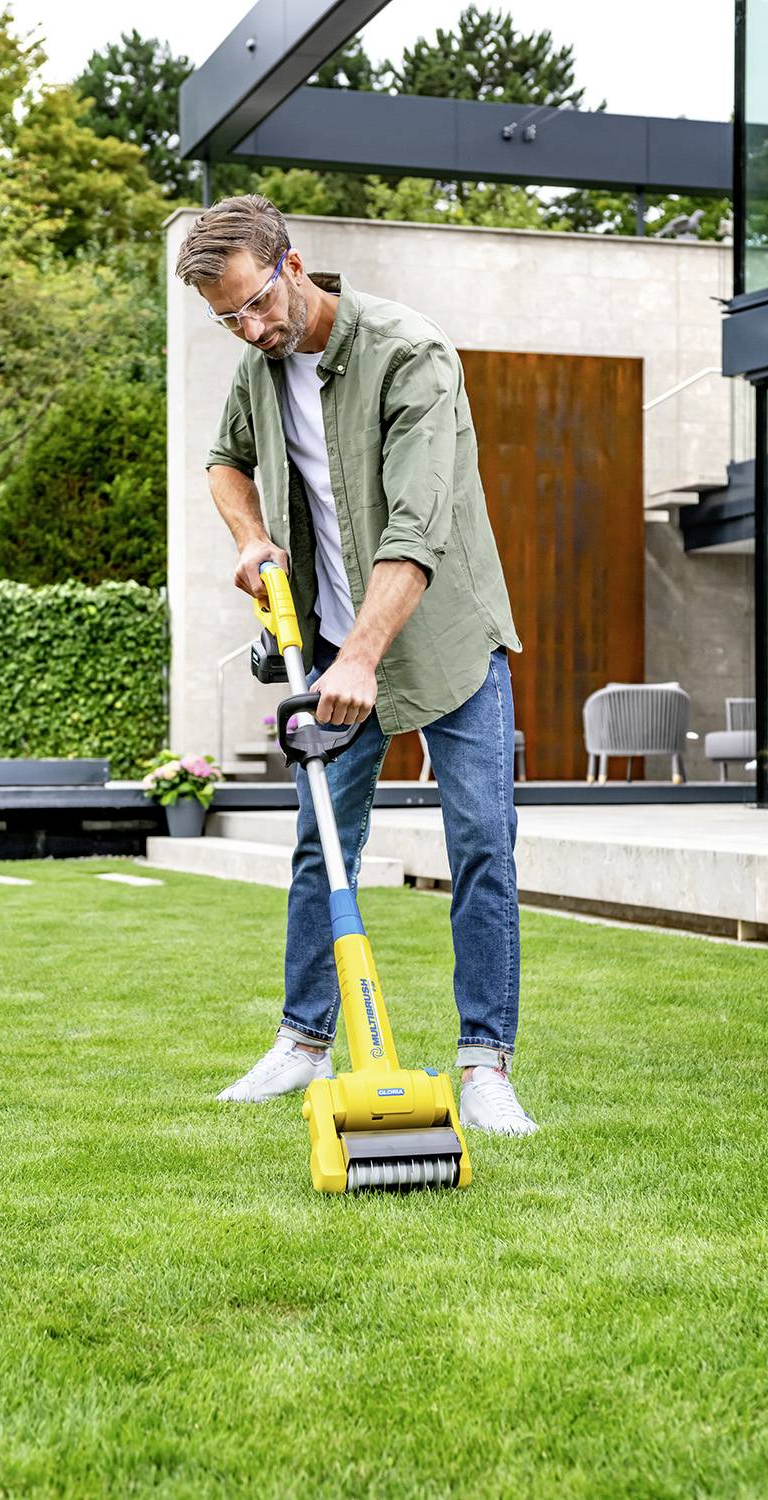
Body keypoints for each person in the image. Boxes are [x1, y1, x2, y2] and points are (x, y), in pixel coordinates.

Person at [176, 194, 538, 1137]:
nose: (250, 329)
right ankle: (303, 1044)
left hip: (448, 639)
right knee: (318, 845)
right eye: (228, 319)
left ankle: (485, 1063)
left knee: (482, 845)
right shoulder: (258, 364)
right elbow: (225, 460)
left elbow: (419, 529)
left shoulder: (410, 352)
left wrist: (365, 658)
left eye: (256, 304)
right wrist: (253, 539)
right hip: (333, 641)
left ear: (293, 265)